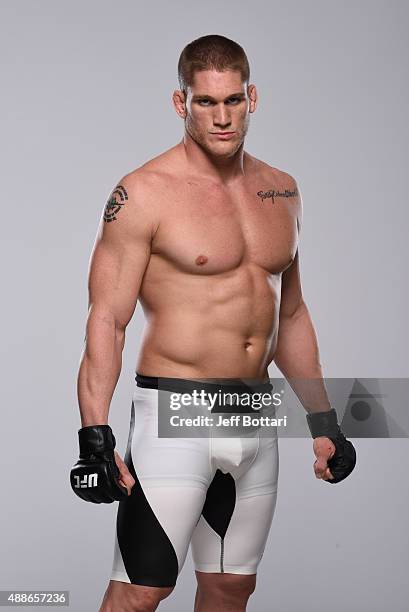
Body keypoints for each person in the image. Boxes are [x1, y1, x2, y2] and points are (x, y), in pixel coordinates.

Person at [70, 34, 356, 612]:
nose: (222, 117)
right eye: (206, 102)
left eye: (233, 101)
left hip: (255, 414)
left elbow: (291, 315)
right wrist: (93, 434)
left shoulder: (282, 191)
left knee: (231, 588)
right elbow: (108, 318)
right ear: (182, 104)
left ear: (252, 97)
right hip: (176, 416)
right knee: (140, 592)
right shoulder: (143, 193)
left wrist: (325, 419)